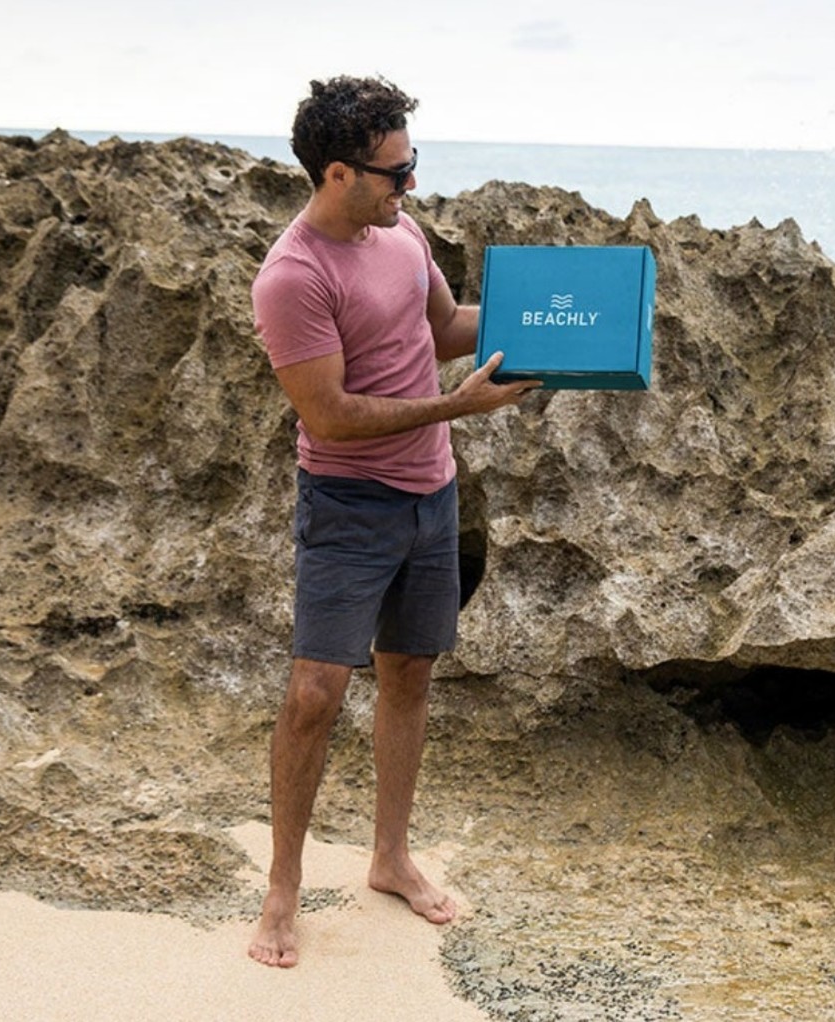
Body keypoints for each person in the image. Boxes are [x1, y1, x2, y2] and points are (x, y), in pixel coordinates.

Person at [247, 74, 539, 969]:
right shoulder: (293, 277)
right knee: (313, 697)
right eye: (394, 173)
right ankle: (283, 891)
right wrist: (457, 411)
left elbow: (447, 327)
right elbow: (328, 414)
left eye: (412, 166)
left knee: (409, 671)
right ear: (337, 173)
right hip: (348, 504)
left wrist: (570, 327)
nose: (410, 187)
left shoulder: (401, 231)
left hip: (432, 495)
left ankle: (390, 858)